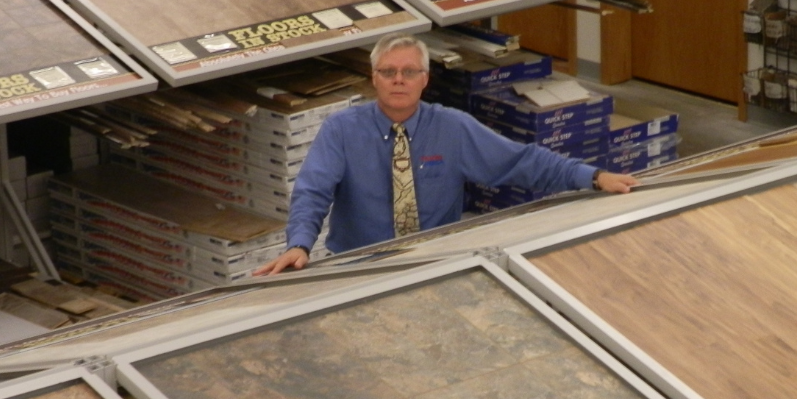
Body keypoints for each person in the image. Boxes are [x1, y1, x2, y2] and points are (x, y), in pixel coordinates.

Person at [254, 33, 639, 275]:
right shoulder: (341, 129)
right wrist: (299, 244)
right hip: (358, 268)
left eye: (409, 72)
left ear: (425, 78)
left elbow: (521, 161)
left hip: (435, 265)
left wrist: (593, 177)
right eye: (388, 72)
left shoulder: (453, 127)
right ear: (374, 78)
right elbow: (312, 191)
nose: (399, 80)